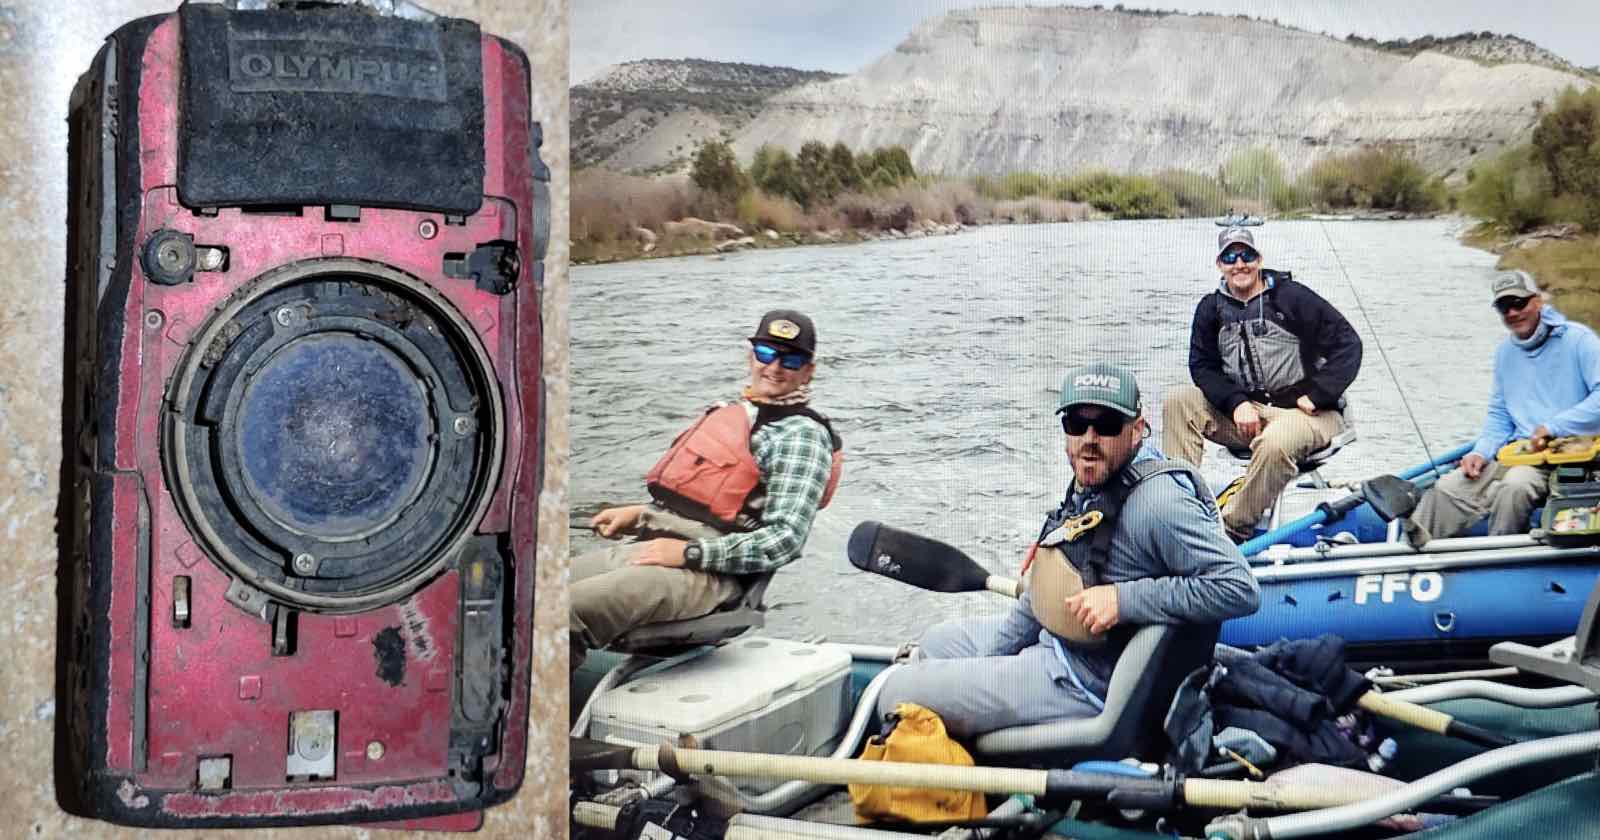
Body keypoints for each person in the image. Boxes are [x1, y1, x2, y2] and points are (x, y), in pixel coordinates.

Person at [873, 363, 1260, 738]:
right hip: (1060, 643)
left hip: (1085, 680)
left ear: (1138, 430)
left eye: (1107, 425)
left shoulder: (1160, 504)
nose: (1089, 438)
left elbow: (1238, 587)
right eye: (1076, 424)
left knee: (894, 692)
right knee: (937, 641)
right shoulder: (1096, 480)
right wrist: (993, 658)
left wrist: (1124, 599)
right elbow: (1050, 582)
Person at [570, 310, 843, 669]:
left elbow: (784, 541)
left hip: (708, 576)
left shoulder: (802, 436)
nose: (774, 367)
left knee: (559, 612)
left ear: (809, 370)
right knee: (524, 590)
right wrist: (639, 515)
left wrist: (689, 555)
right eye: (765, 354)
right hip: (655, 548)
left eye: (790, 360)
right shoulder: (736, 413)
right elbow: (701, 505)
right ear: (751, 356)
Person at [1163, 226, 1364, 541]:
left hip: (1309, 415)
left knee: (1274, 442)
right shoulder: (1209, 310)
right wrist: (1237, 402)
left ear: (1259, 260)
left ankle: (1232, 531)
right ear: (1220, 265)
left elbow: (1349, 344)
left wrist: (1319, 393)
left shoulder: (1292, 297)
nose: (1239, 264)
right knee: (1178, 402)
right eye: (1230, 256)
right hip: (1250, 415)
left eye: (1246, 255)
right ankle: (1177, 516)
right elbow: (1202, 367)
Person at [1408, 271, 1600, 541]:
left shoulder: (1579, 340)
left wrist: (1554, 427)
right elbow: (1500, 415)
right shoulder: (1505, 353)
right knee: (1446, 487)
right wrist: (1481, 452)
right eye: (1503, 307)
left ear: (1537, 301)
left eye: (1518, 303)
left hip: (1571, 457)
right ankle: (1413, 555)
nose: (1512, 312)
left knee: (1514, 487)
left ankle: (1499, 561)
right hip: (1517, 451)